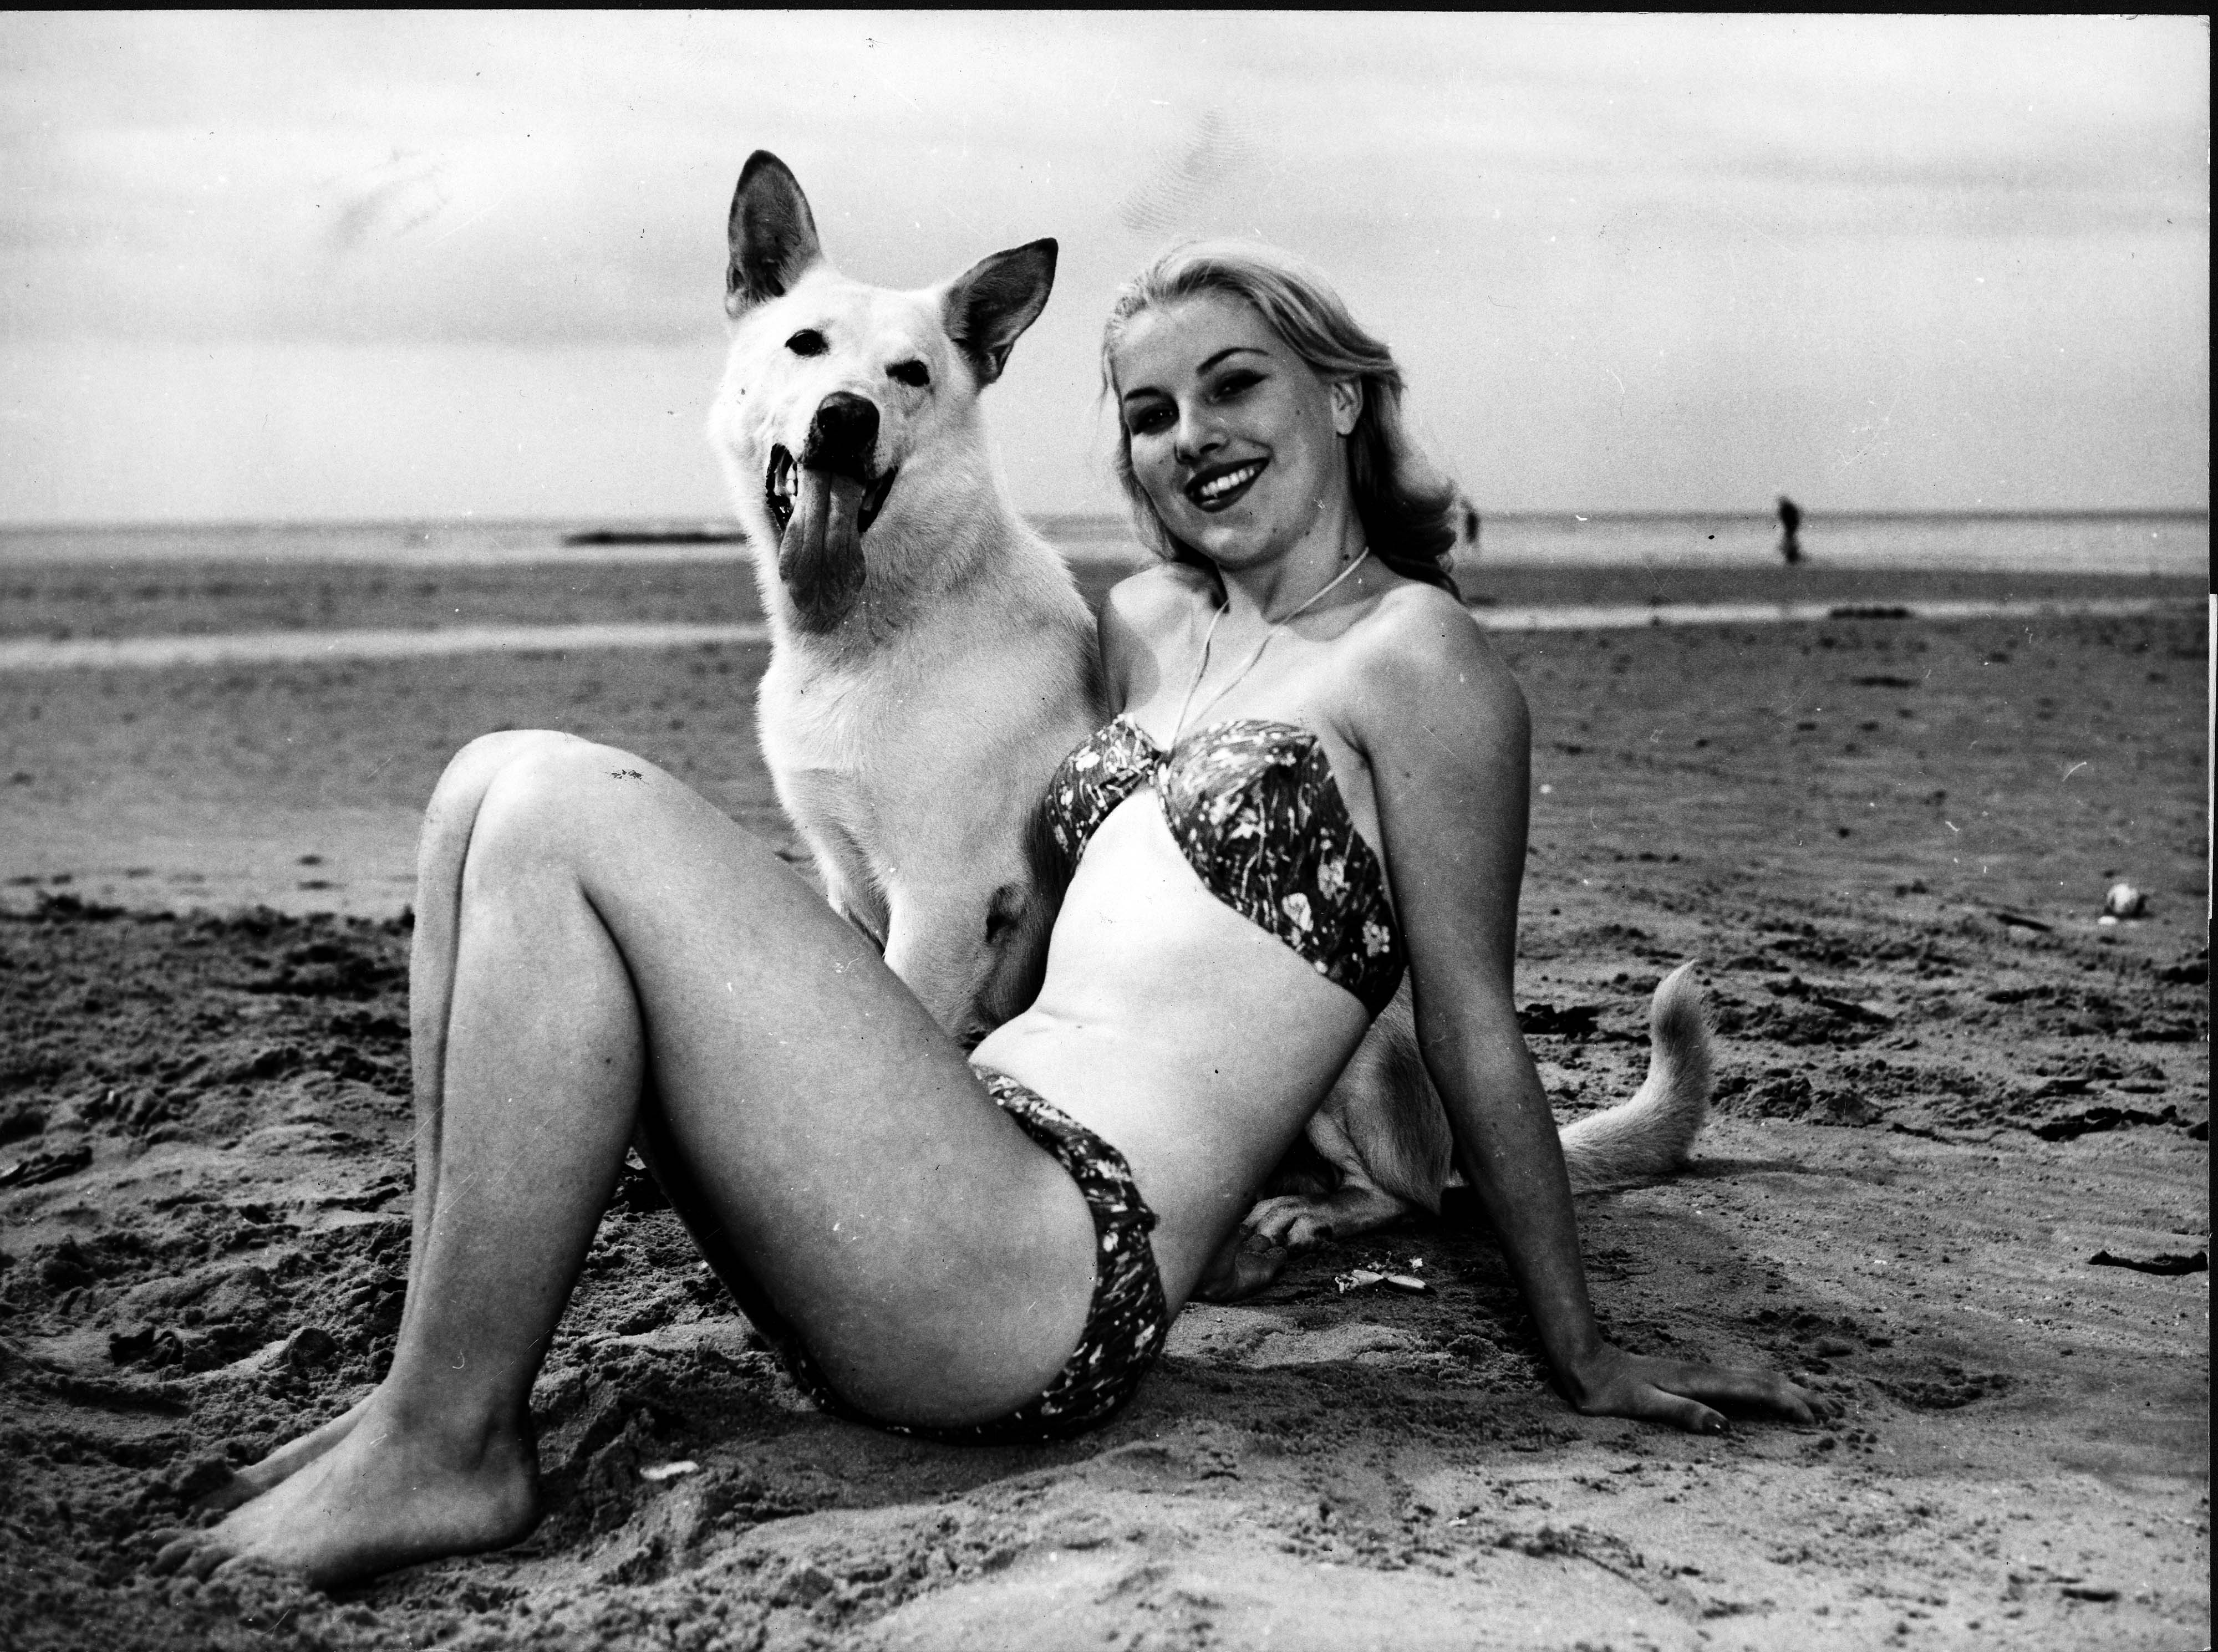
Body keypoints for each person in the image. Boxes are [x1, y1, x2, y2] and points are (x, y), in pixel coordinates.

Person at [158, 239, 1830, 1589]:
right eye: (1150, 410)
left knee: (539, 791)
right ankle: (423, 1401)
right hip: (942, 1172)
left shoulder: (1423, 663)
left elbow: (1468, 1017)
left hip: (1053, 1270)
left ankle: (452, 1446)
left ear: (1341, 394)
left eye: (1234, 383)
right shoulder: (1153, 628)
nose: (1191, 435)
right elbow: (1051, 895)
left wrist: (1585, 1347)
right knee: (478, 798)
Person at [1777, 494, 1803, 565]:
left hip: (1790, 527)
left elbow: (1789, 518)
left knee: (1789, 540)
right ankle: (1792, 556)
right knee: (1790, 540)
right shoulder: (1788, 508)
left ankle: (1792, 557)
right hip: (1791, 527)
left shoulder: (1787, 509)